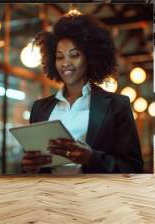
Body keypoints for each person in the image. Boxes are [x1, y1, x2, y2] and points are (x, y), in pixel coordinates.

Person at [21, 13, 144, 174]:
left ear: (90, 57)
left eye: (74, 55)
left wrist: (91, 158)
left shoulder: (117, 105)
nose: (65, 63)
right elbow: (33, 165)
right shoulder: (40, 108)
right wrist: (29, 167)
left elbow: (133, 167)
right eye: (59, 57)